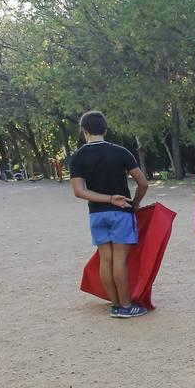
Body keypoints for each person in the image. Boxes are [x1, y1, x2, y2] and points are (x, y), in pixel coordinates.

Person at [68, 110, 150, 318]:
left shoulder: (77, 157)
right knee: (120, 260)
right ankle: (126, 306)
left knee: (106, 259)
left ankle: (115, 305)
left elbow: (79, 191)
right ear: (105, 129)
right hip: (121, 212)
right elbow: (143, 183)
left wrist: (106, 199)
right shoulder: (121, 152)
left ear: (84, 131)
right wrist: (135, 203)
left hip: (97, 214)